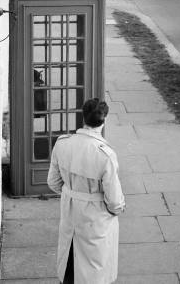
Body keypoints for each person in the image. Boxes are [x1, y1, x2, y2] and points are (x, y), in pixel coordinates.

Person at [47, 98, 125, 284]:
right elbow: (114, 201)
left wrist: (72, 192)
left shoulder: (62, 143)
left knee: (69, 254)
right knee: (94, 266)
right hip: (96, 216)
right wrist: (117, 209)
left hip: (71, 208)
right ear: (104, 120)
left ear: (83, 117)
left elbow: (53, 182)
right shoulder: (105, 154)